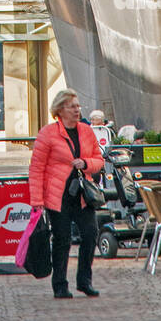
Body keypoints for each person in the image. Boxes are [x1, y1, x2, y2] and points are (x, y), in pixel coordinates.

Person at [28, 88, 104, 300]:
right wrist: (37, 200)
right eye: (72, 106)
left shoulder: (86, 131)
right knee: (62, 239)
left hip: (82, 193)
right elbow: (36, 168)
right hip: (57, 195)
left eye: (78, 106)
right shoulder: (48, 133)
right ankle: (60, 284)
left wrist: (86, 163)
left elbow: (99, 160)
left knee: (90, 234)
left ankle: (84, 281)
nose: (77, 110)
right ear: (60, 109)